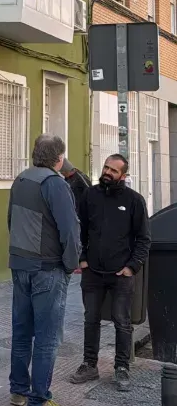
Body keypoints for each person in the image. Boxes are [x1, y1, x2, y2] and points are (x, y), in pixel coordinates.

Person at [8, 133, 81, 406]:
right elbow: (70, 231)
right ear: (59, 158)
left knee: (22, 331)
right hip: (47, 268)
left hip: (20, 265)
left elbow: (10, 221)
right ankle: (39, 403)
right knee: (48, 338)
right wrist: (70, 265)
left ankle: (18, 391)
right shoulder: (56, 184)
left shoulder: (21, 180)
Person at [70, 153, 151, 392]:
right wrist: (82, 259)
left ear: (123, 176)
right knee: (90, 319)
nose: (107, 172)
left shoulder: (134, 200)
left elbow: (144, 239)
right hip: (92, 272)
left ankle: (122, 367)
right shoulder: (90, 195)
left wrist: (131, 267)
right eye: (106, 167)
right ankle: (89, 364)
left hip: (121, 274)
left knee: (122, 322)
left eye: (113, 170)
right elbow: (79, 229)